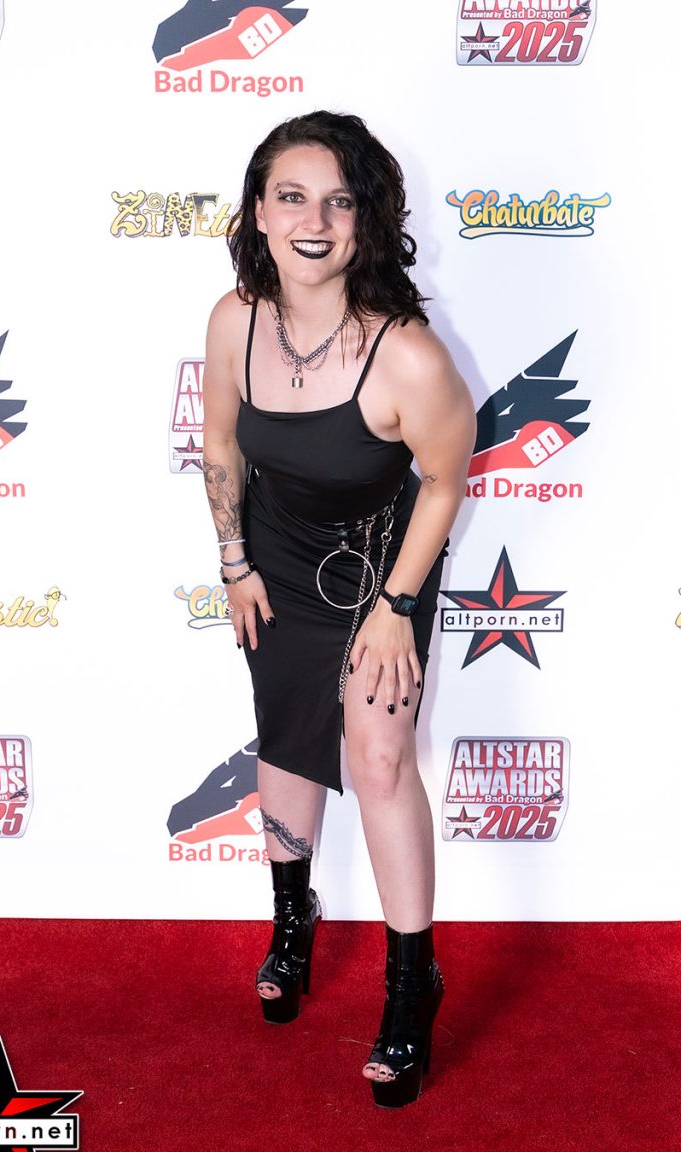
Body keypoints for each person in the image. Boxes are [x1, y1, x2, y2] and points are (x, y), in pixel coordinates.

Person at [202, 110, 476, 1109]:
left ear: (367, 219)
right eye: (292, 197)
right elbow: (220, 447)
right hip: (275, 554)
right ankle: (293, 922)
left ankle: (413, 982)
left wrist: (399, 604)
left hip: (380, 560)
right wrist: (235, 563)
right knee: (284, 734)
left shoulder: (407, 355)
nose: (314, 222)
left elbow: (443, 479)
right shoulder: (235, 319)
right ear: (259, 212)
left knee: (378, 756)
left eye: (339, 201)